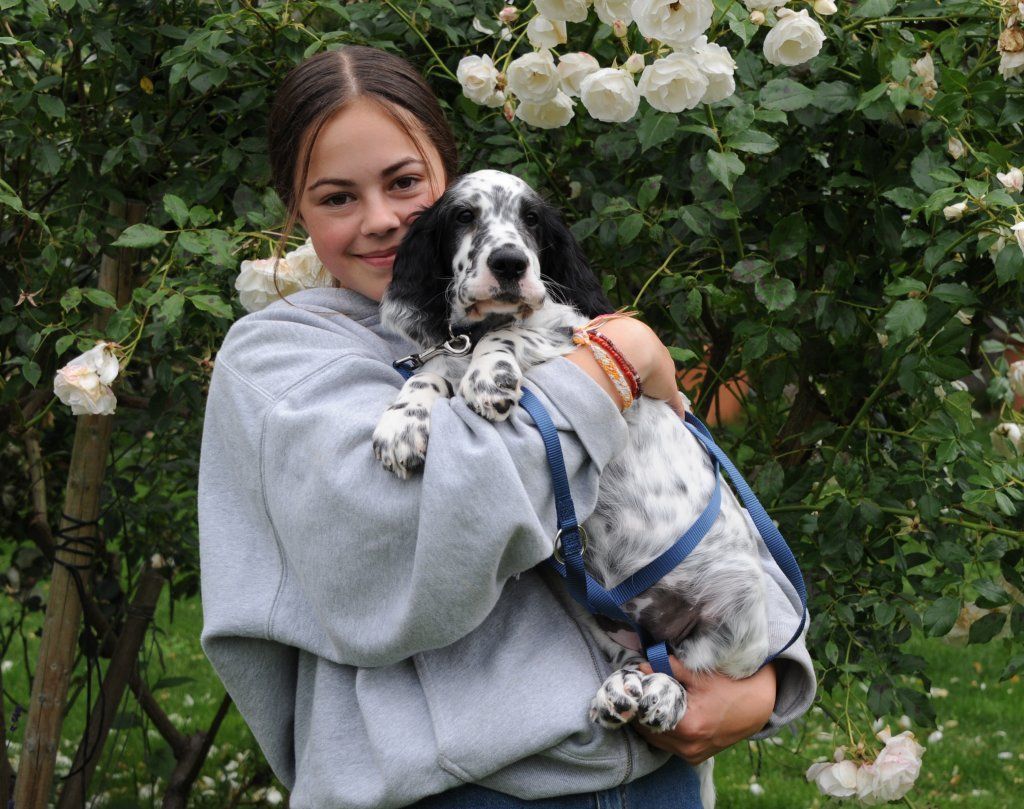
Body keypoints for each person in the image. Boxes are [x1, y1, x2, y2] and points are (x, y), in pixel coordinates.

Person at [198, 45, 815, 809]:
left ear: (453, 182)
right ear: (294, 209)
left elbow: (694, 509)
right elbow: (409, 551)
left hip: (656, 775)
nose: (382, 219)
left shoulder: (534, 317)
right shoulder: (281, 358)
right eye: (335, 198)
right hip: (464, 790)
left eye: (404, 183)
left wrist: (767, 679)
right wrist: (610, 365)